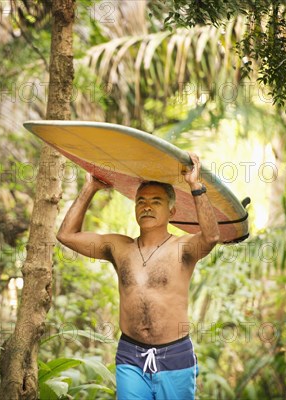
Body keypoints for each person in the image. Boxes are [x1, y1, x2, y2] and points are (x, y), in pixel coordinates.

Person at [56, 152, 220, 399]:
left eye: (156, 201)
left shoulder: (183, 248)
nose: (147, 206)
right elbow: (66, 235)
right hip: (130, 355)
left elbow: (211, 237)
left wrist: (196, 186)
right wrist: (91, 187)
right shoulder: (118, 247)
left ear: (172, 210)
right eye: (141, 201)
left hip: (175, 356)